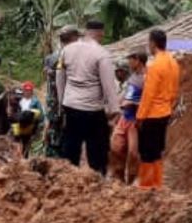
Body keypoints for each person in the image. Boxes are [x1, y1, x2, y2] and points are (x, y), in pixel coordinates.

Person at [57, 20, 120, 175]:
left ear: (85, 32)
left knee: (71, 146)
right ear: (101, 33)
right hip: (93, 110)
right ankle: (97, 179)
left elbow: (60, 78)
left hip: (71, 107)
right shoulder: (101, 54)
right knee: (97, 150)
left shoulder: (67, 50)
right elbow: (109, 85)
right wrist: (114, 109)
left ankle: (67, 179)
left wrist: (61, 103)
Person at [136, 29, 180, 190]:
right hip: (165, 112)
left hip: (151, 114)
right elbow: (174, 90)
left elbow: (148, 95)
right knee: (157, 151)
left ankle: (147, 186)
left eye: (149, 42)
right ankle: (157, 184)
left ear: (153, 43)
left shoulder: (154, 66)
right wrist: (169, 105)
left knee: (147, 152)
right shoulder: (173, 62)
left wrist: (140, 117)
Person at [44, 26, 82, 157]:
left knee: (53, 136)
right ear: (74, 38)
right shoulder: (70, 57)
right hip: (66, 105)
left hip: (52, 105)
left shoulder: (50, 58)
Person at [110, 52, 147, 182]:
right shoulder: (132, 80)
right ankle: (118, 179)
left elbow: (150, 100)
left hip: (135, 120)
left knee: (133, 153)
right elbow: (124, 98)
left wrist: (132, 103)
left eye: (131, 60)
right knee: (116, 147)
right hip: (124, 117)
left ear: (138, 61)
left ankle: (131, 181)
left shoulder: (146, 79)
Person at [10, 81, 45, 157]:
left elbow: (41, 116)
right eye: (26, 90)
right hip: (17, 126)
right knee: (16, 144)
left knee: (26, 146)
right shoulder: (18, 100)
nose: (27, 92)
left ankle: (25, 159)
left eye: (29, 90)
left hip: (29, 127)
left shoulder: (36, 102)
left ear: (32, 91)